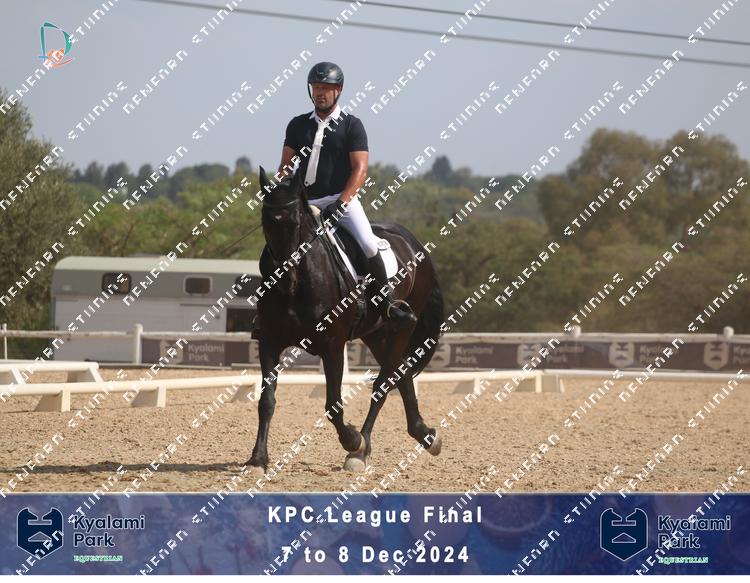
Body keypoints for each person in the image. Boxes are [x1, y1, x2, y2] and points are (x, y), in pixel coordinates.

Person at [273, 61, 417, 326]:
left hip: (341, 200)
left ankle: (385, 303)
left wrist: (341, 203)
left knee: (368, 244)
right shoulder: (297, 125)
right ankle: (267, 311)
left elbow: (360, 169)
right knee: (278, 243)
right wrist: (282, 194)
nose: (320, 93)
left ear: (338, 90)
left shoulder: (352, 125)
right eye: (316, 87)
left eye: (325, 88)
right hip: (305, 203)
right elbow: (285, 167)